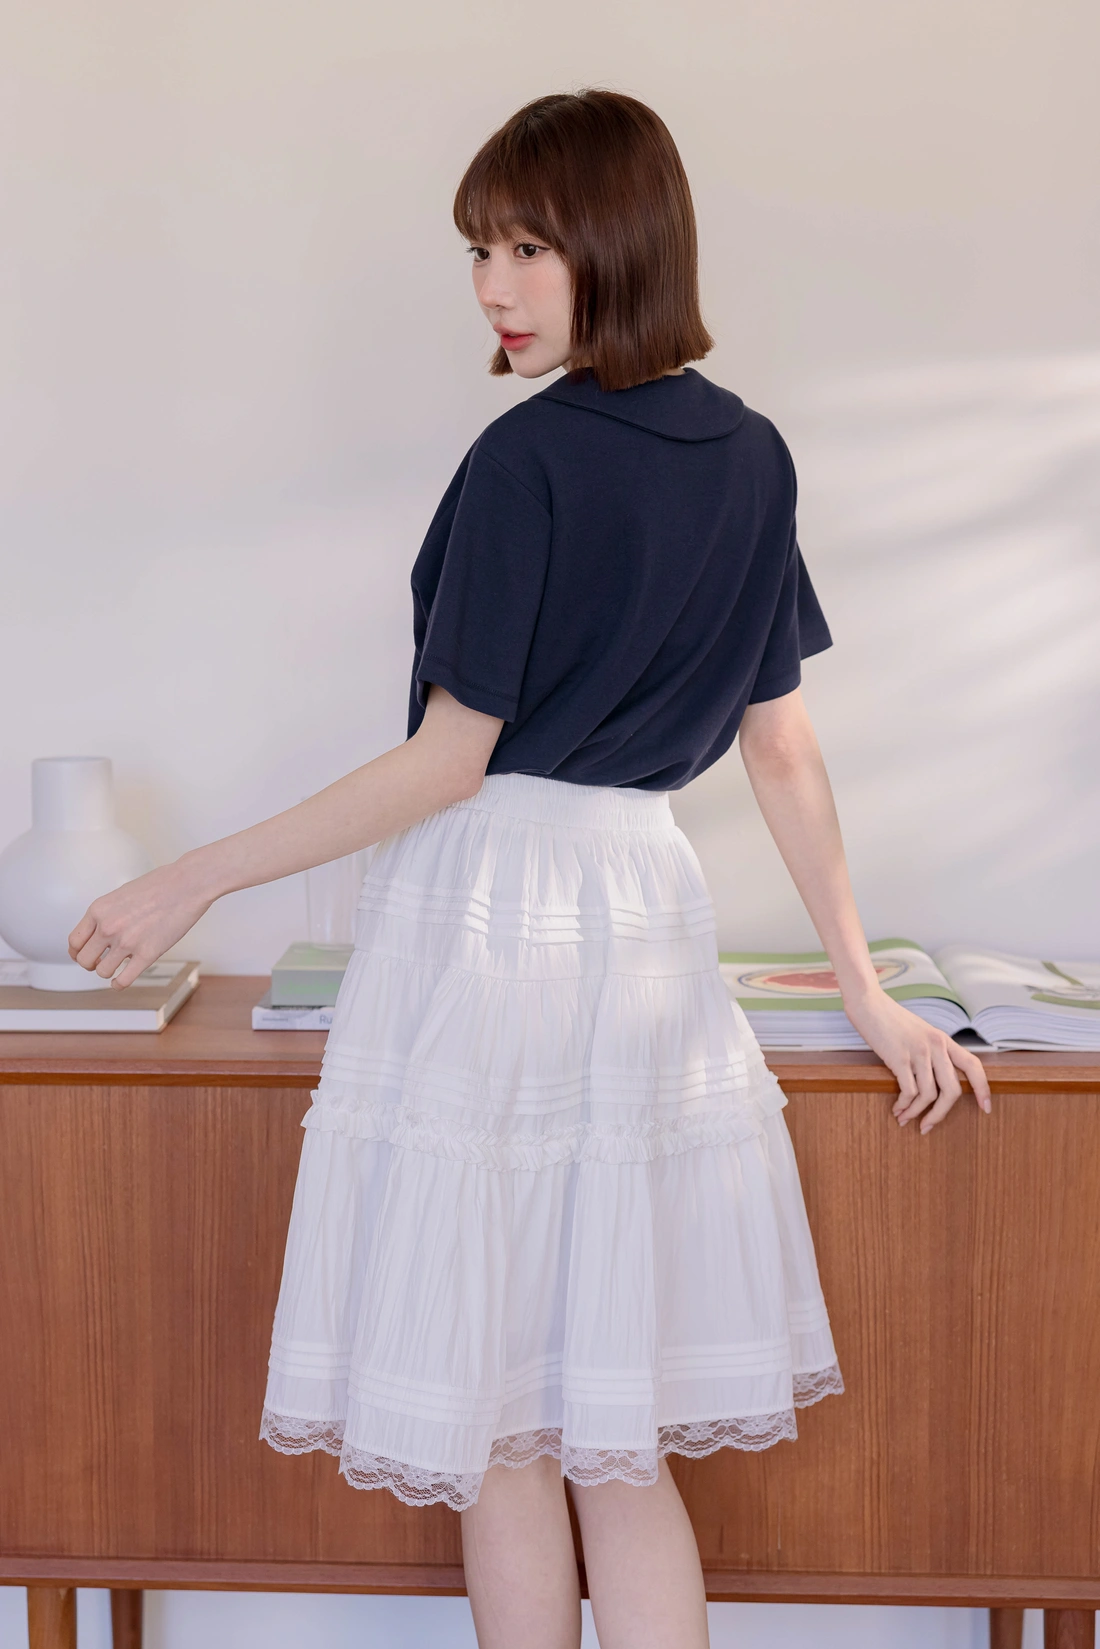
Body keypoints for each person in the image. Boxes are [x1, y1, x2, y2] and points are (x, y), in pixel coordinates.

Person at [69, 89, 991, 1649]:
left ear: (618, 244)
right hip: (642, 913)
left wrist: (192, 880)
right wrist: (865, 985)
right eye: (480, 253)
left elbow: (453, 762)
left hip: (494, 918)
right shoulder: (750, 454)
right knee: (613, 1439)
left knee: (503, 1431)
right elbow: (780, 745)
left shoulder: (528, 460)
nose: (494, 288)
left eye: (527, 248)